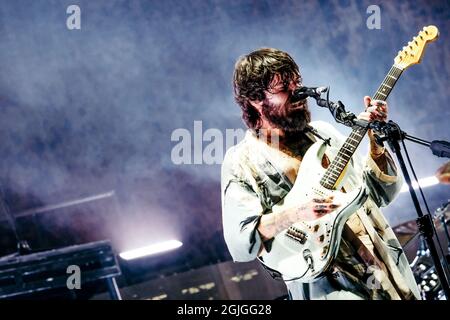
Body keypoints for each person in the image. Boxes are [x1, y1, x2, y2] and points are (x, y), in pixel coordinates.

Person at [221, 48, 421, 300]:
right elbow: (240, 243)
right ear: (255, 100)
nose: (299, 93)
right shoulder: (242, 161)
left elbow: (378, 195)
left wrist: (376, 143)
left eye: (298, 82)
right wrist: (295, 213)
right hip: (326, 286)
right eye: (284, 87)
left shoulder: (323, 133)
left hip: (385, 267)